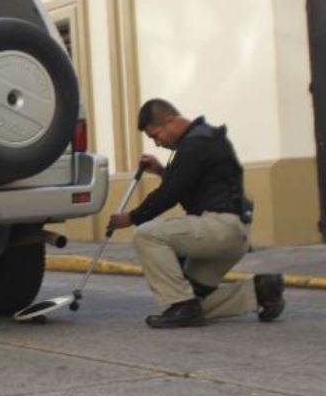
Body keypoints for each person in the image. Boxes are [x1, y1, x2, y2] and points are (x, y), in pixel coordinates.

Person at [107, 98, 284, 328]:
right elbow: (189, 187)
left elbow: (169, 194)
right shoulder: (204, 139)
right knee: (198, 301)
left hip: (220, 228)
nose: (157, 143)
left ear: (170, 121)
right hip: (231, 232)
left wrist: (130, 217)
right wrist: (161, 170)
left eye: (156, 135)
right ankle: (262, 291)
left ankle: (181, 306)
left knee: (146, 235)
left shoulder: (194, 144)